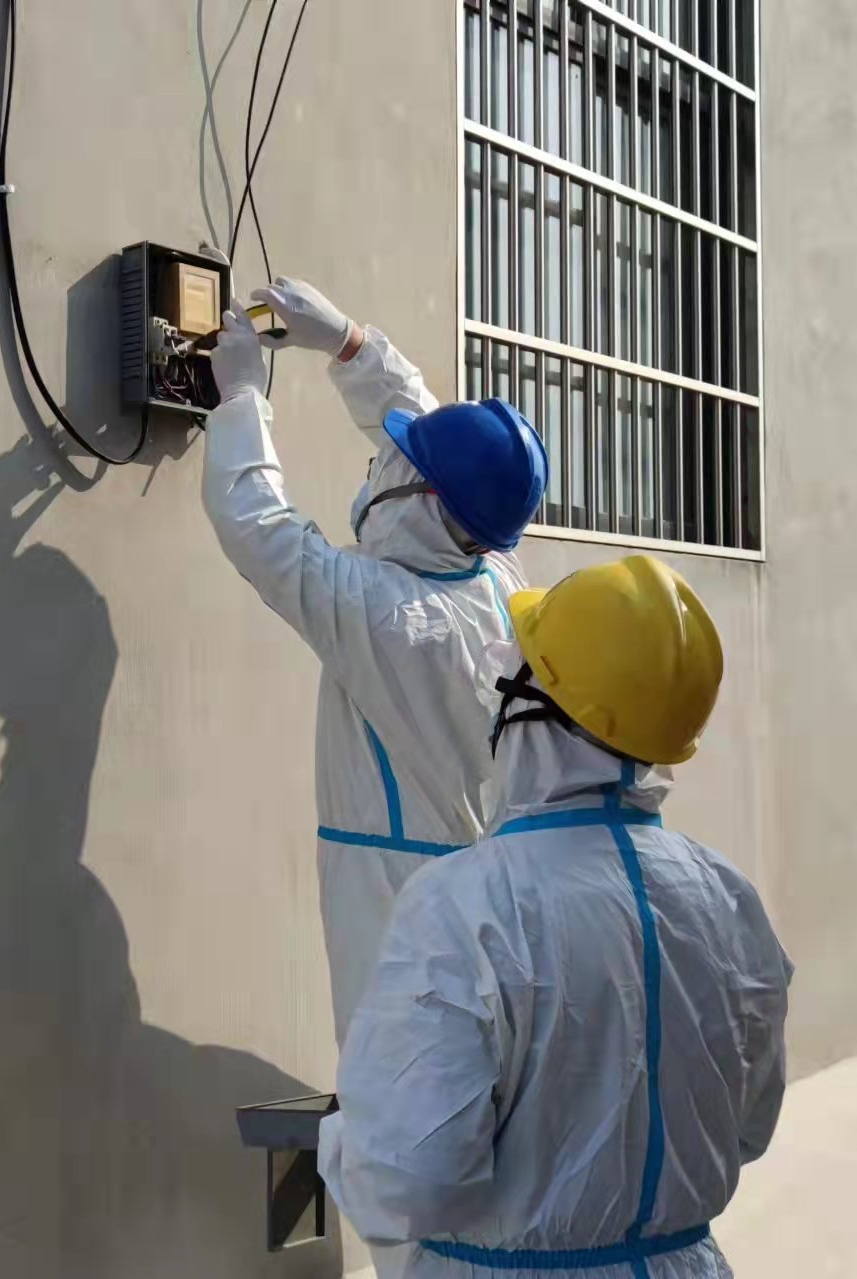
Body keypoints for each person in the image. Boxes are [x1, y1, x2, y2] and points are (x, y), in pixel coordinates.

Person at [317, 556, 791, 1279]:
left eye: (516, 668)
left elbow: (406, 1178)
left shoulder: (462, 903)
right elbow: (748, 1125)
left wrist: (340, 1137)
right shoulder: (725, 896)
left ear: (536, 705)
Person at [202, 277, 546, 1042]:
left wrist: (241, 401)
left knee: (400, 1082)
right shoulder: (494, 578)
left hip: (397, 906)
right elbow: (447, 451)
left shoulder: (388, 616)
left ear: (420, 497)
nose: (380, 463)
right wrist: (349, 343)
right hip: (479, 894)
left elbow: (259, 528)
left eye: (394, 463)